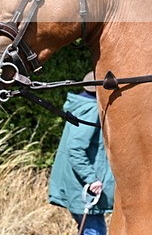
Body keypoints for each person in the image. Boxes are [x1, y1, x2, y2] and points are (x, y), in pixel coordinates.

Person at [49, 72, 115, 235]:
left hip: (77, 186)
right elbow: (76, 148)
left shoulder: (81, 104)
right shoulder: (92, 109)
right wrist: (91, 179)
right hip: (84, 188)